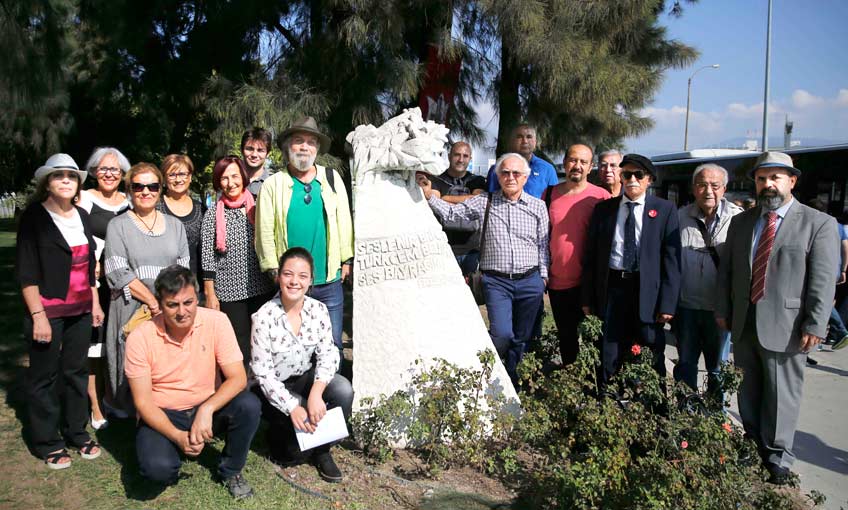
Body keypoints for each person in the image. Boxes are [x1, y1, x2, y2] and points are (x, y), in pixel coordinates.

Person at [716, 151, 838, 484]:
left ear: (792, 181)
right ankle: (753, 444)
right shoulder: (742, 222)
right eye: (761, 179)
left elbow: (823, 279)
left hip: (788, 326)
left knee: (782, 394)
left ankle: (778, 457)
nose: (768, 184)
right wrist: (723, 309)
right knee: (748, 389)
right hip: (745, 322)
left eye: (775, 178)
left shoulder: (817, 223)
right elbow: (728, 272)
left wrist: (815, 323)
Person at [125, 265, 260, 499]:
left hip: (206, 404)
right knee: (158, 471)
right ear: (159, 304)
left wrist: (207, 409)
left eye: (188, 303)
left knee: (249, 404)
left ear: (197, 298)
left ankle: (231, 470)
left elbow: (238, 378)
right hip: (164, 412)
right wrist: (177, 435)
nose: (182, 312)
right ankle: (174, 446)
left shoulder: (217, 321)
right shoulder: (140, 337)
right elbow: (143, 402)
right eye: (172, 305)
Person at [419, 153, 549, 384]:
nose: (510, 177)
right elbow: (452, 214)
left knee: (522, 336)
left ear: (525, 177)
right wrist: (429, 195)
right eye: (505, 173)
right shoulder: (484, 201)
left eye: (516, 173)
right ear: (498, 176)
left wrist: (543, 278)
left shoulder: (538, 207)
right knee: (502, 334)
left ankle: (511, 379)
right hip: (497, 282)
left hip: (530, 281)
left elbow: (543, 244)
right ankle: (488, 373)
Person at [17, 153, 104, 468]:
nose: (66, 180)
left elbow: (90, 266)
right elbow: (26, 272)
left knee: (76, 371)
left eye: (71, 176)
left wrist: (95, 302)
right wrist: (38, 316)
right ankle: (47, 441)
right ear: (47, 182)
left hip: (81, 310)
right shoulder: (34, 218)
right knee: (44, 376)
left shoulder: (82, 216)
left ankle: (76, 432)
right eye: (58, 175)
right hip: (47, 311)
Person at [255, 116, 354, 362]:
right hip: (292, 283)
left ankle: (331, 387)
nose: (304, 147)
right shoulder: (273, 184)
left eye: (310, 142)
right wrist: (273, 269)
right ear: (288, 146)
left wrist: (346, 259)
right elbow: (264, 230)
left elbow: (344, 220)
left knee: (332, 346)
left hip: (328, 279)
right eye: (298, 141)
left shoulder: (331, 178)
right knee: (291, 348)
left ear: (317, 149)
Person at [251, 248, 353, 482]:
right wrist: (293, 407)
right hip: (273, 388)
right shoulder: (263, 317)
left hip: (304, 379)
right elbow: (263, 374)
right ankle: (280, 434)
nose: (294, 281)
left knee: (343, 390)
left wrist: (316, 393)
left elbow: (328, 353)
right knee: (291, 455)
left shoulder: (318, 310)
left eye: (302, 276)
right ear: (279, 277)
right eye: (288, 274)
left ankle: (322, 450)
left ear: (310, 280)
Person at [581, 154, 681, 387]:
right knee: (609, 350)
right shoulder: (604, 210)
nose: (632, 179)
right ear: (621, 178)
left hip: (646, 291)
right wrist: (587, 298)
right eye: (627, 174)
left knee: (650, 350)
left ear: (649, 179)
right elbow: (591, 257)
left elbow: (671, 260)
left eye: (639, 175)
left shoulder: (664, 210)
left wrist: (668, 304)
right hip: (613, 288)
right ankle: (609, 398)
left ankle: (652, 403)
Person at [103, 163, 190, 414]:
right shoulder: (118, 225)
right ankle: (131, 411)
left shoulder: (175, 225)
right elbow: (117, 270)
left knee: (166, 360)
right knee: (134, 362)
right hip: (132, 306)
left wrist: (165, 303)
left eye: (152, 186)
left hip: (168, 305)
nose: (145, 192)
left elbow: (183, 266)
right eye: (138, 186)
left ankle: (165, 409)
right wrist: (152, 303)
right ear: (129, 190)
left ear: (160, 189)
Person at [674, 164, 742, 398]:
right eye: (702, 185)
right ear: (694, 188)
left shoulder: (738, 219)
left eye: (715, 185)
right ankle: (686, 411)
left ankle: (716, 414)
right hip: (686, 307)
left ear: (724, 189)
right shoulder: (680, 217)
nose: (708, 191)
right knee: (686, 363)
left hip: (719, 310)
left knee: (717, 368)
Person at [201, 156, 275, 362]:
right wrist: (210, 293)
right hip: (229, 292)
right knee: (238, 345)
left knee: (264, 342)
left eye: (235, 176)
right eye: (224, 178)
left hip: (262, 286)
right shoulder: (213, 214)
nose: (230, 183)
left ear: (243, 177)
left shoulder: (257, 207)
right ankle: (241, 382)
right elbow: (207, 256)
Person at [78, 147, 131, 429]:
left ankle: (116, 399)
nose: (110, 174)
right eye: (104, 169)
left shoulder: (131, 200)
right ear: (94, 172)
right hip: (94, 285)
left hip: (124, 285)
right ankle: (96, 407)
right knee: (95, 349)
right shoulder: (84, 199)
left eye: (115, 169)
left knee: (122, 343)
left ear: (123, 173)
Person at [545, 144, 610, 365]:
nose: (577, 166)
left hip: (590, 284)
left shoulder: (602, 197)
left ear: (591, 167)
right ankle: (570, 380)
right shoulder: (549, 195)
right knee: (567, 339)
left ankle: (595, 383)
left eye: (583, 162)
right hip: (559, 282)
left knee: (595, 341)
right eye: (573, 160)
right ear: (564, 163)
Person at [419, 141, 487, 276]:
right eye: (457, 155)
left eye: (465, 156)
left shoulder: (477, 180)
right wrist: (468, 200)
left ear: (470, 159)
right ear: (449, 156)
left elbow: (478, 200)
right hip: (444, 248)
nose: (461, 159)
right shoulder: (436, 180)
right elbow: (434, 204)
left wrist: (445, 198)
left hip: (472, 249)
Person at [157, 154, 205, 279]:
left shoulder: (201, 209)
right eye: (172, 175)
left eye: (183, 174)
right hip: (162, 280)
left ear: (190, 177)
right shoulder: (155, 207)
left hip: (194, 280)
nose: (178, 180)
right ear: (164, 179)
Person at [484, 124, 559, 199]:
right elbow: (490, 198)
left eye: (529, 137)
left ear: (535, 142)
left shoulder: (547, 169)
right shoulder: (497, 169)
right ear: (512, 141)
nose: (525, 141)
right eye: (519, 137)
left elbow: (553, 199)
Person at [241, 127, 274, 197]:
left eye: (260, 150)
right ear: (241, 150)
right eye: (250, 149)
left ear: (268, 154)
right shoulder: (230, 180)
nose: (254, 155)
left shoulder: (274, 184)